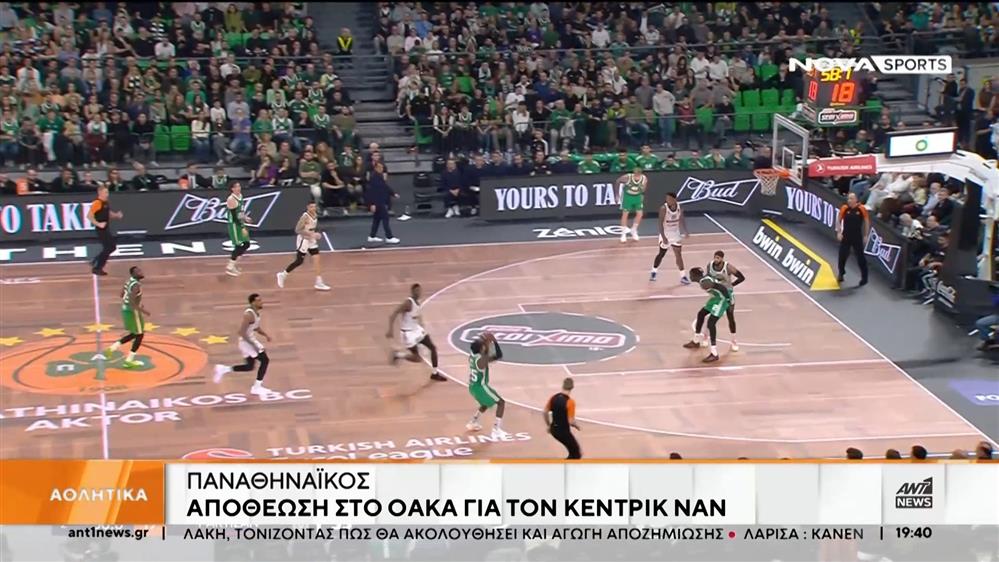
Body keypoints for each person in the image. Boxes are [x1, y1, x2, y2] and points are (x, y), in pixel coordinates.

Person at [213, 293, 274, 396]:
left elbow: (255, 327)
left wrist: (265, 335)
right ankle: (256, 387)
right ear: (253, 302)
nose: (261, 302)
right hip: (247, 343)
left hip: (247, 342)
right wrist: (254, 346)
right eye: (259, 300)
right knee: (265, 360)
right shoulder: (249, 315)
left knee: (249, 367)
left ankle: (223, 369)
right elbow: (241, 332)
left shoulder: (256, 313)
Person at [386, 283, 445, 382]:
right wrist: (390, 330)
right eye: (416, 291)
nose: (418, 292)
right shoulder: (408, 303)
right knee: (417, 358)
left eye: (419, 290)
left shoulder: (418, 301)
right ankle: (399, 355)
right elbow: (394, 314)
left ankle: (435, 373)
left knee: (433, 347)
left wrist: (421, 324)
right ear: (412, 292)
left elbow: (416, 315)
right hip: (408, 333)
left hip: (416, 330)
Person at [276, 202, 331, 291]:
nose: (313, 208)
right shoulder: (305, 216)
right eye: (311, 207)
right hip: (303, 240)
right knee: (299, 261)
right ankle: (283, 275)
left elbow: (311, 228)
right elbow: (297, 229)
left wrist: (315, 234)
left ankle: (319, 282)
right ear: (307, 207)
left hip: (311, 240)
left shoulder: (315, 215)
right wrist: (311, 234)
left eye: (314, 207)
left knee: (317, 259)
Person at [683, 267, 733, 363]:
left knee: (711, 323)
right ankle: (696, 341)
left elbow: (722, 288)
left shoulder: (705, 283)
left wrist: (728, 300)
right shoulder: (705, 279)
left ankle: (714, 353)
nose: (690, 277)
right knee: (701, 314)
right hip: (715, 298)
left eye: (691, 275)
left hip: (721, 299)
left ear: (695, 276)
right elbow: (718, 279)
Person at [102, 266, 149, 369]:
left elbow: (121, 294)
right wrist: (143, 310)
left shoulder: (128, 282)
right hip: (133, 311)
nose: (141, 272)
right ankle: (129, 361)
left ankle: (112, 348)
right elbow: (132, 301)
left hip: (126, 309)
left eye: (140, 270)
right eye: (138, 271)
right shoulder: (136, 285)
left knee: (135, 333)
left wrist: (132, 303)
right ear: (133, 274)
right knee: (140, 335)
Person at [466, 332, 508, 438]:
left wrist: (484, 340)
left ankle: (473, 422)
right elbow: (498, 355)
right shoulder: (481, 361)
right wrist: (494, 341)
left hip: (472, 387)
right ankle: (496, 429)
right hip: (481, 387)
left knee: (485, 403)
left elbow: (477, 347)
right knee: (501, 403)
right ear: (481, 349)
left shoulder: (472, 355)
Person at [705, 250, 746, 351]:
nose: (716, 259)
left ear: (722, 259)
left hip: (728, 294)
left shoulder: (728, 267)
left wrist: (732, 285)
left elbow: (741, 277)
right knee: (710, 316)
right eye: (715, 257)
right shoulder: (710, 266)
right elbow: (708, 278)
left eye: (718, 258)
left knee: (730, 316)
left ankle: (734, 340)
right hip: (717, 295)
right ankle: (705, 336)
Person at [650, 191, 689, 284]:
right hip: (666, 233)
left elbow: (681, 218)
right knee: (661, 254)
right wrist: (663, 237)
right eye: (666, 199)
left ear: (674, 199)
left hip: (675, 233)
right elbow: (660, 223)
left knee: (678, 255)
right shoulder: (663, 208)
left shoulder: (679, 207)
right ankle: (654, 271)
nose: (667, 200)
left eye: (669, 199)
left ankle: (683, 276)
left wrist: (685, 230)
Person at [87, 185, 123, 276]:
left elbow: (108, 213)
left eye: (107, 192)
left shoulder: (105, 202)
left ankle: (96, 261)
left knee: (111, 247)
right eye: (105, 192)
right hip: (101, 229)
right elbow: (89, 216)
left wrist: (116, 215)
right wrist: (98, 224)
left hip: (106, 228)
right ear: (100, 193)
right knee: (109, 247)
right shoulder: (97, 203)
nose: (107, 194)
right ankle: (97, 267)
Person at [837, 192, 870, 286]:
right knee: (842, 256)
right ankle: (841, 273)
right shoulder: (844, 208)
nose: (849, 200)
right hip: (846, 236)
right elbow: (838, 220)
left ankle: (864, 278)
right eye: (848, 198)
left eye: (851, 198)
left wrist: (866, 235)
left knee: (860, 258)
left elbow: (866, 222)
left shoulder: (861, 209)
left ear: (856, 200)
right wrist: (839, 232)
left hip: (857, 237)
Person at [544, 377, 581, 459]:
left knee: (572, 452)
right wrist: (577, 426)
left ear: (563, 386)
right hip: (563, 432)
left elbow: (545, 412)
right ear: (572, 387)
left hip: (554, 429)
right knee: (576, 454)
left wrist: (549, 425)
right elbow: (570, 421)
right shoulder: (570, 402)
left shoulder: (553, 398)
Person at [365, 161, 400, 244]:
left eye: (382, 168)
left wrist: (393, 193)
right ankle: (389, 237)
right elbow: (371, 192)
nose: (382, 169)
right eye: (380, 167)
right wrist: (372, 204)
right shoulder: (373, 178)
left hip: (380, 200)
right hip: (377, 202)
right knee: (385, 218)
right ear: (376, 168)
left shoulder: (379, 176)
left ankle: (372, 236)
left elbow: (385, 187)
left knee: (377, 219)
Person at [225, 182, 252, 277]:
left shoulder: (240, 196)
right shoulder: (231, 199)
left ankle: (233, 263)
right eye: (236, 187)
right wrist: (242, 227)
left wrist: (245, 218)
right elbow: (234, 217)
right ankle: (230, 267)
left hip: (240, 222)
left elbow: (239, 212)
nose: (238, 188)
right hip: (234, 224)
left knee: (246, 244)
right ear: (232, 189)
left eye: (239, 186)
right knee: (239, 245)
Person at [616, 166, 646, 243]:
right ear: (633, 174)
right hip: (628, 196)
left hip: (637, 197)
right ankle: (623, 234)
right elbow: (617, 181)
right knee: (625, 214)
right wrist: (617, 195)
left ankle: (634, 230)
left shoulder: (644, 179)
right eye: (635, 174)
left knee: (640, 214)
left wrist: (642, 197)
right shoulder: (627, 177)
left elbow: (643, 190)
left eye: (638, 175)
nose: (636, 176)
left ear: (640, 174)